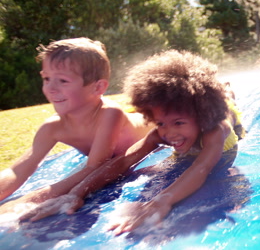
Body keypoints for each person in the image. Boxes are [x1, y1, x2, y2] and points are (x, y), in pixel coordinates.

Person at [20, 50, 246, 236]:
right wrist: (76, 193)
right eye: (160, 123)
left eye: (178, 122)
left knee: (227, 103)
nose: (169, 132)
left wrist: (162, 201)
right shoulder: (161, 134)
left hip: (225, 115)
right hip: (201, 124)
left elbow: (202, 167)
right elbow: (124, 160)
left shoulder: (215, 130)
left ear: (201, 116)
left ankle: (227, 91)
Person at [0, 38, 151, 205]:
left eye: (63, 80)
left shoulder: (110, 114)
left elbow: (94, 169)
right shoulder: (53, 127)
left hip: (148, 121)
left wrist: (24, 203)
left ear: (98, 87)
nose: (50, 88)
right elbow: (17, 171)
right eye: (47, 79)